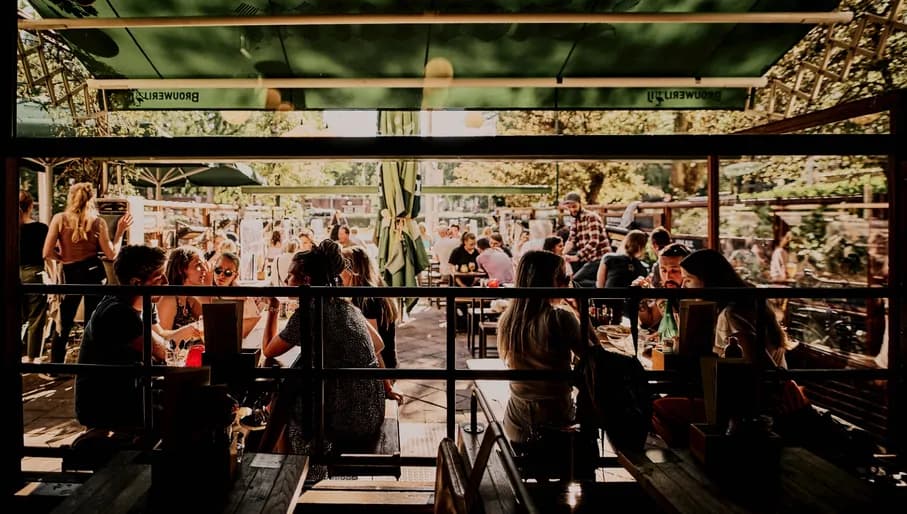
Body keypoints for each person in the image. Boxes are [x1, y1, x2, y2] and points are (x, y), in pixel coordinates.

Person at [261, 240, 384, 472]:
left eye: (289, 276)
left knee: (283, 396)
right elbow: (379, 343)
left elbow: (268, 350)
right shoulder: (345, 304)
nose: (286, 282)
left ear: (306, 280)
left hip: (348, 418)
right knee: (296, 377)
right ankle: (277, 463)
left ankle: (284, 469)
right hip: (371, 407)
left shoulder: (308, 312)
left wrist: (273, 306)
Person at [74, 245, 170, 433]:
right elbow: (161, 351)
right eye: (159, 278)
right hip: (105, 404)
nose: (166, 282)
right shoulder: (118, 312)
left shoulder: (142, 302)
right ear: (136, 283)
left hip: (125, 392)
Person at [498, 250, 591, 444]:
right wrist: (581, 312)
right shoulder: (559, 319)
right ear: (549, 281)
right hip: (552, 421)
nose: (567, 282)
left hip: (516, 420)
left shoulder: (509, 320)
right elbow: (595, 356)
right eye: (563, 277)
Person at [43, 182, 133, 363]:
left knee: (64, 319)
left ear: (70, 198)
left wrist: (63, 258)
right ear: (91, 200)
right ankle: (90, 362)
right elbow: (112, 254)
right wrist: (120, 232)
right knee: (94, 320)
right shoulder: (97, 222)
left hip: (70, 271)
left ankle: (56, 365)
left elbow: (46, 253)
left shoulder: (59, 219)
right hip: (94, 271)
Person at [679, 249, 794, 367]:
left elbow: (759, 364)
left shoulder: (732, 314)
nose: (683, 287)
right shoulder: (745, 302)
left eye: (688, 280)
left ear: (708, 280)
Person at [341, 246, 400, 370]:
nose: (336, 274)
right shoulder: (374, 291)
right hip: (387, 363)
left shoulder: (366, 299)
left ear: (352, 270)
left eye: (340, 268)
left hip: (379, 369)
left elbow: (371, 344)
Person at [633, 242, 691, 330]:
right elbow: (648, 322)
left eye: (674, 271)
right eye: (663, 270)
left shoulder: (694, 294)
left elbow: (682, 330)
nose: (668, 277)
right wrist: (641, 300)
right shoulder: (667, 291)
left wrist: (659, 298)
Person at [594, 230, 649, 321]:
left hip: (608, 306)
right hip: (630, 311)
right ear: (642, 247)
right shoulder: (643, 268)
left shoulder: (608, 258)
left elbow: (600, 286)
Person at [157, 246, 208, 344]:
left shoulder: (189, 299)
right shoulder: (169, 299)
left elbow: (210, 320)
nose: (204, 269)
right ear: (181, 269)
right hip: (173, 357)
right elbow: (160, 341)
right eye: (198, 265)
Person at [20, 191, 49, 363]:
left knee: (17, 317)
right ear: (31, 206)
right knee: (36, 318)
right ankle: (33, 358)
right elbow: (48, 253)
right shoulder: (40, 229)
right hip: (35, 273)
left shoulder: (11, 227)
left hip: (13, 272)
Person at [560, 192, 609, 287]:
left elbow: (594, 242)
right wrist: (561, 254)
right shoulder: (574, 220)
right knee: (566, 275)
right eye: (569, 207)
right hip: (587, 258)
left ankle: (601, 287)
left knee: (576, 281)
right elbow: (571, 240)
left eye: (574, 206)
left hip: (598, 259)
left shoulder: (591, 217)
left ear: (580, 204)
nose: (572, 209)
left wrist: (577, 257)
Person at [211, 251, 264, 338]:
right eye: (218, 270)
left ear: (235, 276)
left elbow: (252, 326)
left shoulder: (243, 298)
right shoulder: (206, 290)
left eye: (228, 272)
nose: (221, 275)